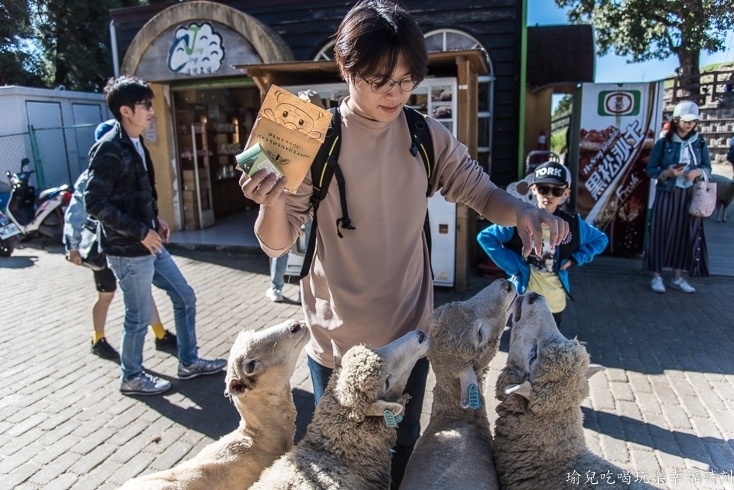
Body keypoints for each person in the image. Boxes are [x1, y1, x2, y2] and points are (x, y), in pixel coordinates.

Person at [239, 1, 568, 486]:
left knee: (400, 442)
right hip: (336, 346)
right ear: (346, 70)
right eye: (380, 81)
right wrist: (269, 203)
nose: (396, 93)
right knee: (342, 459)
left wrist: (521, 211)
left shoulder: (424, 135)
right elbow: (275, 243)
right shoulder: (314, 139)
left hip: (409, 340)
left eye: (407, 79)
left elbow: (479, 190)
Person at [85, 76, 226, 396]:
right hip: (127, 250)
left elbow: (135, 194)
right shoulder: (109, 148)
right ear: (125, 110)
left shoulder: (137, 143)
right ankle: (131, 377)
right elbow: (94, 202)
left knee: (184, 296)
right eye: (145, 105)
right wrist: (140, 230)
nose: (151, 111)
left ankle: (188, 362)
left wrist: (155, 220)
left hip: (150, 243)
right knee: (137, 317)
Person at [64, 119, 177, 360]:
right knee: (107, 295)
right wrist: (72, 246)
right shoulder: (94, 173)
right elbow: (76, 211)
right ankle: (98, 339)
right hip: (103, 247)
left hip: (129, 244)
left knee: (142, 292)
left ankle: (160, 334)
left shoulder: (132, 168)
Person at [477, 161, 608, 326]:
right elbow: (486, 237)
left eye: (557, 190)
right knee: (521, 349)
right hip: (523, 300)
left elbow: (600, 239)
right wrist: (514, 266)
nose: (549, 195)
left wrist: (575, 259)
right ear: (533, 189)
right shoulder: (520, 218)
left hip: (555, 302)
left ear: (566, 193)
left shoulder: (574, 224)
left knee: (548, 351)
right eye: (543, 189)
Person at [644, 100, 711, 294]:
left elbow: (708, 167)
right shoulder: (663, 143)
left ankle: (677, 276)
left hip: (690, 194)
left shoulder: (699, 143)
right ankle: (656, 276)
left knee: (684, 235)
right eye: (686, 120)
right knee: (660, 232)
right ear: (676, 120)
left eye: (693, 121)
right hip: (667, 192)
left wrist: (697, 172)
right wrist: (667, 173)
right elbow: (651, 169)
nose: (690, 124)